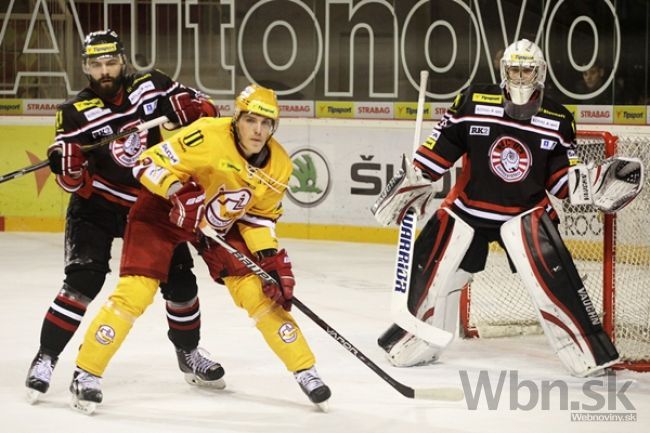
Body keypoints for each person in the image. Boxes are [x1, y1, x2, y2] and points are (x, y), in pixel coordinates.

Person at [67, 83, 331, 413]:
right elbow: (146, 162)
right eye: (251, 121)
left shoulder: (279, 167)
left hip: (216, 223)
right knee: (135, 292)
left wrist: (269, 259)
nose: (258, 130)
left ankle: (306, 370)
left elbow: (258, 218)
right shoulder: (206, 134)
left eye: (266, 124)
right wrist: (177, 189)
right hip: (162, 212)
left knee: (258, 292)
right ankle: (86, 373)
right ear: (237, 118)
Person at [372, 39, 622, 378]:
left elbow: (562, 182)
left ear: (540, 73)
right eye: (513, 69)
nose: (520, 77)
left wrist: (593, 184)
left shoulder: (558, 118)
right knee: (428, 270)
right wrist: (412, 181)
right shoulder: (473, 100)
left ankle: (588, 351)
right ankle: (414, 339)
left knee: (557, 285)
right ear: (503, 70)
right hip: (468, 210)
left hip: (525, 214)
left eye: (527, 70)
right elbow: (437, 152)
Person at [25, 29, 224, 403]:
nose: (105, 71)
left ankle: (189, 354)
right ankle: (46, 357)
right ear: (85, 66)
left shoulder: (153, 85)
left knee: (181, 284)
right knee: (82, 281)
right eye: (96, 64)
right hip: (97, 206)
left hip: (150, 204)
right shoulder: (72, 113)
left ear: (123, 60)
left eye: (111, 62)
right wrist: (67, 169)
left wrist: (195, 111)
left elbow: (211, 114)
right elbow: (71, 182)